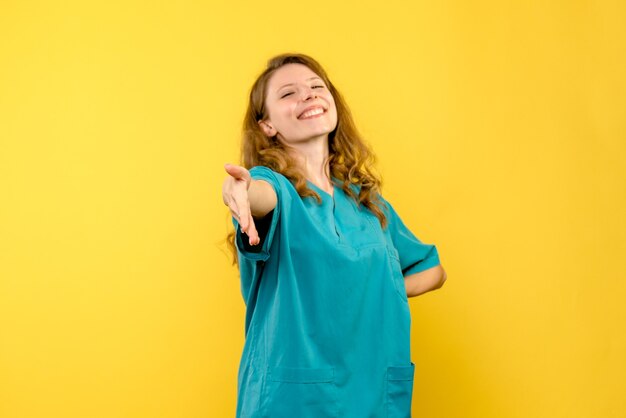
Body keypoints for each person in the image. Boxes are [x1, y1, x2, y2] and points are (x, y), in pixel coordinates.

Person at [222, 53, 447, 418]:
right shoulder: (276, 188)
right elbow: (259, 196)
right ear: (267, 126)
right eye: (288, 93)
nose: (308, 96)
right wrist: (238, 192)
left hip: (372, 393)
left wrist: (372, 285)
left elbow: (433, 270)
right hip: (293, 400)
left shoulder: (366, 202)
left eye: (316, 87)